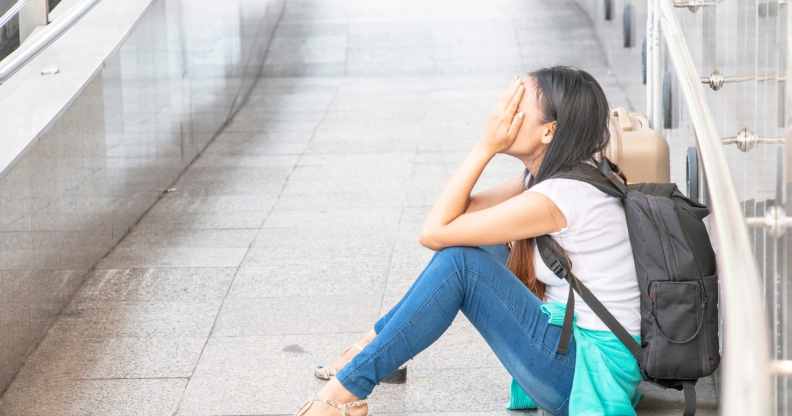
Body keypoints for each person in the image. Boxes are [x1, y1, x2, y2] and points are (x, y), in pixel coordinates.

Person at [294, 65, 643, 416]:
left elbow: (433, 232)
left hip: (584, 379)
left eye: (518, 107)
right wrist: (487, 145)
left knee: (462, 264)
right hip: (582, 359)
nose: (503, 115)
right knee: (472, 248)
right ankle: (373, 350)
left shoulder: (560, 196)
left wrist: (485, 146)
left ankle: (344, 394)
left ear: (549, 131)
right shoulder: (555, 178)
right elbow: (454, 214)